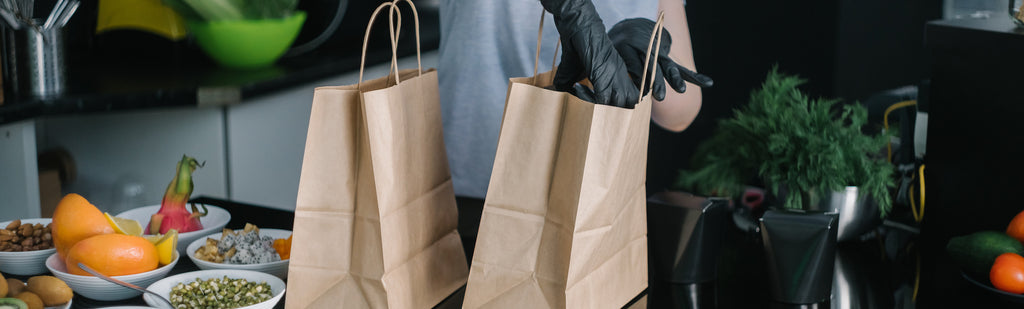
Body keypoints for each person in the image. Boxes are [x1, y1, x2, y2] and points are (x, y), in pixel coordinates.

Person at [438, 0, 712, 199]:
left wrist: (648, 49)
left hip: (589, 203)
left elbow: (680, 112)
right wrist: (575, 10)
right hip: (470, 194)